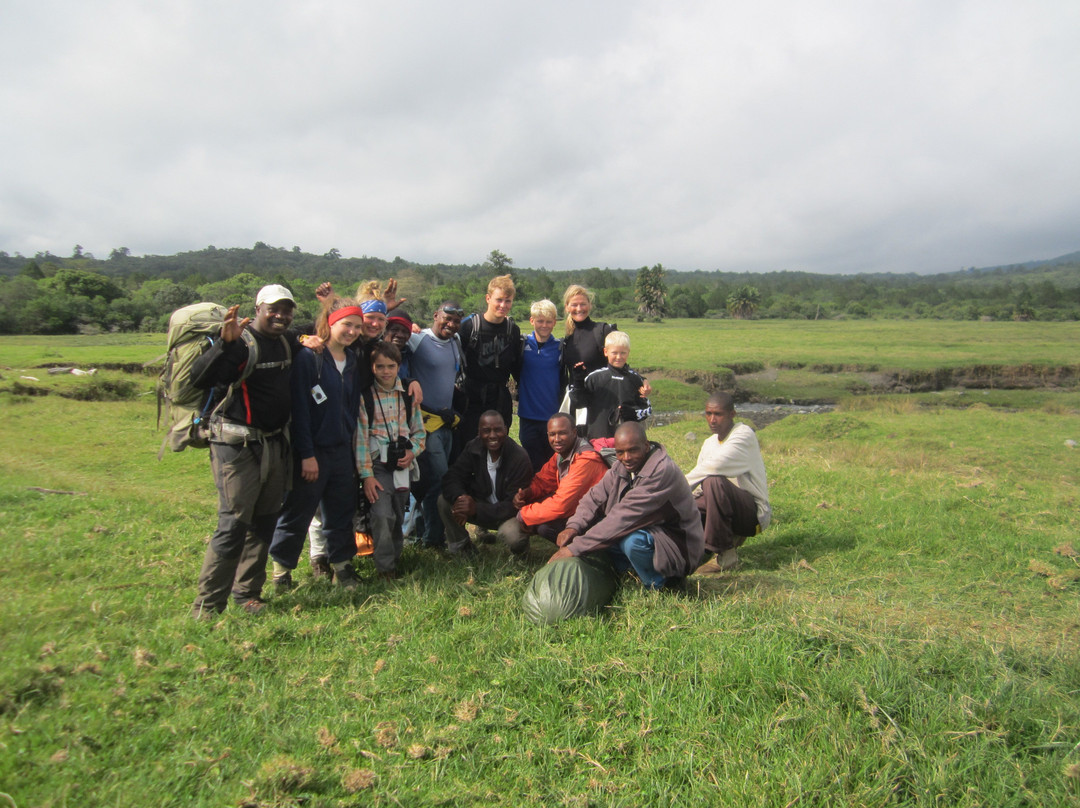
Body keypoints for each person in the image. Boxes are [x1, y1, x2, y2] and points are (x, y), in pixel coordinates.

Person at [190, 284, 302, 618]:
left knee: (265, 520)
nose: (280, 316)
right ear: (258, 309)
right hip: (235, 445)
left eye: (286, 310)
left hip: (273, 442)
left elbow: (327, 331)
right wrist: (223, 345)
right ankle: (208, 604)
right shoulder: (240, 344)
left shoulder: (285, 341)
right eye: (274, 309)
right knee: (234, 522)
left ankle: (247, 593)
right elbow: (201, 378)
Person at [268, 296, 366, 591]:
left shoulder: (351, 362)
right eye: (347, 324)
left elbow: (350, 407)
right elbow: (300, 410)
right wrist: (306, 454)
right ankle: (281, 572)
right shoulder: (310, 358)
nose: (352, 331)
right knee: (298, 512)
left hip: (341, 451)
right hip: (312, 452)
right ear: (331, 322)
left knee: (340, 512)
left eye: (357, 326)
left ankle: (343, 568)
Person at [551, 422, 704, 589]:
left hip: (677, 545)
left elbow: (621, 519)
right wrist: (573, 527)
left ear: (646, 446)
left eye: (633, 450)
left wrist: (574, 549)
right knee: (595, 530)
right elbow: (594, 497)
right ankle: (630, 572)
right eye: (620, 452)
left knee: (631, 540)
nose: (626, 457)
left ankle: (662, 584)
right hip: (649, 529)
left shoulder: (661, 472)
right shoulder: (621, 467)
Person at [357, 342, 426, 580]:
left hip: (402, 464)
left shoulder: (407, 395)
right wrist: (366, 475)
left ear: (399, 367)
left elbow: (419, 432)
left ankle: (394, 559)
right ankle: (385, 568)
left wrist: (412, 452)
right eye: (380, 366)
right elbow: (361, 440)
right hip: (377, 466)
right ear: (372, 368)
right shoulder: (365, 396)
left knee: (397, 512)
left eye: (391, 366)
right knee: (382, 514)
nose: (386, 371)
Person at [685, 392, 771, 572]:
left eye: (718, 414)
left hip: (751, 513)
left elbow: (714, 467)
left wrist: (678, 486)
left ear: (732, 414)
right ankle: (688, 552)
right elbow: (699, 483)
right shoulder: (709, 443)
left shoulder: (743, 435)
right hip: (720, 505)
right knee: (685, 506)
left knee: (714, 482)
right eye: (708, 414)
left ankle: (724, 552)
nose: (712, 420)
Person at [406, 301, 465, 549]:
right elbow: (387, 337)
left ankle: (417, 533)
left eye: (455, 321)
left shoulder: (456, 341)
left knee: (432, 481)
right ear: (435, 315)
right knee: (437, 481)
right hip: (424, 423)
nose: (450, 325)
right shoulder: (418, 339)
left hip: (446, 423)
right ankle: (432, 539)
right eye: (446, 319)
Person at [438, 411, 533, 557]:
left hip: (507, 515)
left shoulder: (519, 458)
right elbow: (452, 477)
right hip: (481, 506)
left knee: (513, 537)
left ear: (506, 430)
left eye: (498, 430)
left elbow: (513, 506)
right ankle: (462, 548)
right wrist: (461, 498)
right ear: (479, 432)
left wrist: (476, 509)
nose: (492, 435)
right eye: (486, 431)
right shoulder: (473, 448)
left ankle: (521, 553)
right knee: (444, 501)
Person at [513, 413, 608, 545]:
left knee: (545, 526)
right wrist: (528, 493)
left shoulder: (586, 459)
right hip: (581, 510)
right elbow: (544, 481)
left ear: (574, 433)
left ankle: (590, 552)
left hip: (600, 516)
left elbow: (562, 505)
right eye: (552, 434)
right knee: (543, 522)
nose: (556, 439)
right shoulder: (561, 454)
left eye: (562, 433)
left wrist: (523, 515)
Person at [457, 274, 522, 451]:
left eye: (508, 301)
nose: (503, 305)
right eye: (498, 300)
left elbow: (518, 367)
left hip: (500, 397)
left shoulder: (512, 330)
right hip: (472, 398)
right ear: (488, 298)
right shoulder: (470, 327)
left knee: (498, 447)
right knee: (470, 447)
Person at [517, 299, 566, 471]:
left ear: (554, 322)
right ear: (532, 321)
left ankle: (554, 498)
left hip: (552, 417)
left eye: (548, 321)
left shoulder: (560, 347)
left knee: (553, 465)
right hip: (527, 416)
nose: (544, 325)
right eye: (540, 321)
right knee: (532, 464)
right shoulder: (521, 344)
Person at [560, 285, 615, 432]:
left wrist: (641, 381)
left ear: (590, 305)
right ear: (567, 307)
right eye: (574, 305)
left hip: (601, 404)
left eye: (583, 304)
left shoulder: (602, 331)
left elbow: (619, 361)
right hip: (577, 404)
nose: (579, 308)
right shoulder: (567, 339)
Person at [582, 331, 652, 442]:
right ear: (606, 352)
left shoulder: (636, 379)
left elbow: (648, 410)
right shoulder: (594, 378)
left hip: (627, 440)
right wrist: (577, 381)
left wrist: (633, 413)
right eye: (614, 353)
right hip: (597, 439)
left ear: (628, 353)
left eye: (623, 353)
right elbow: (578, 403)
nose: (618, 357)